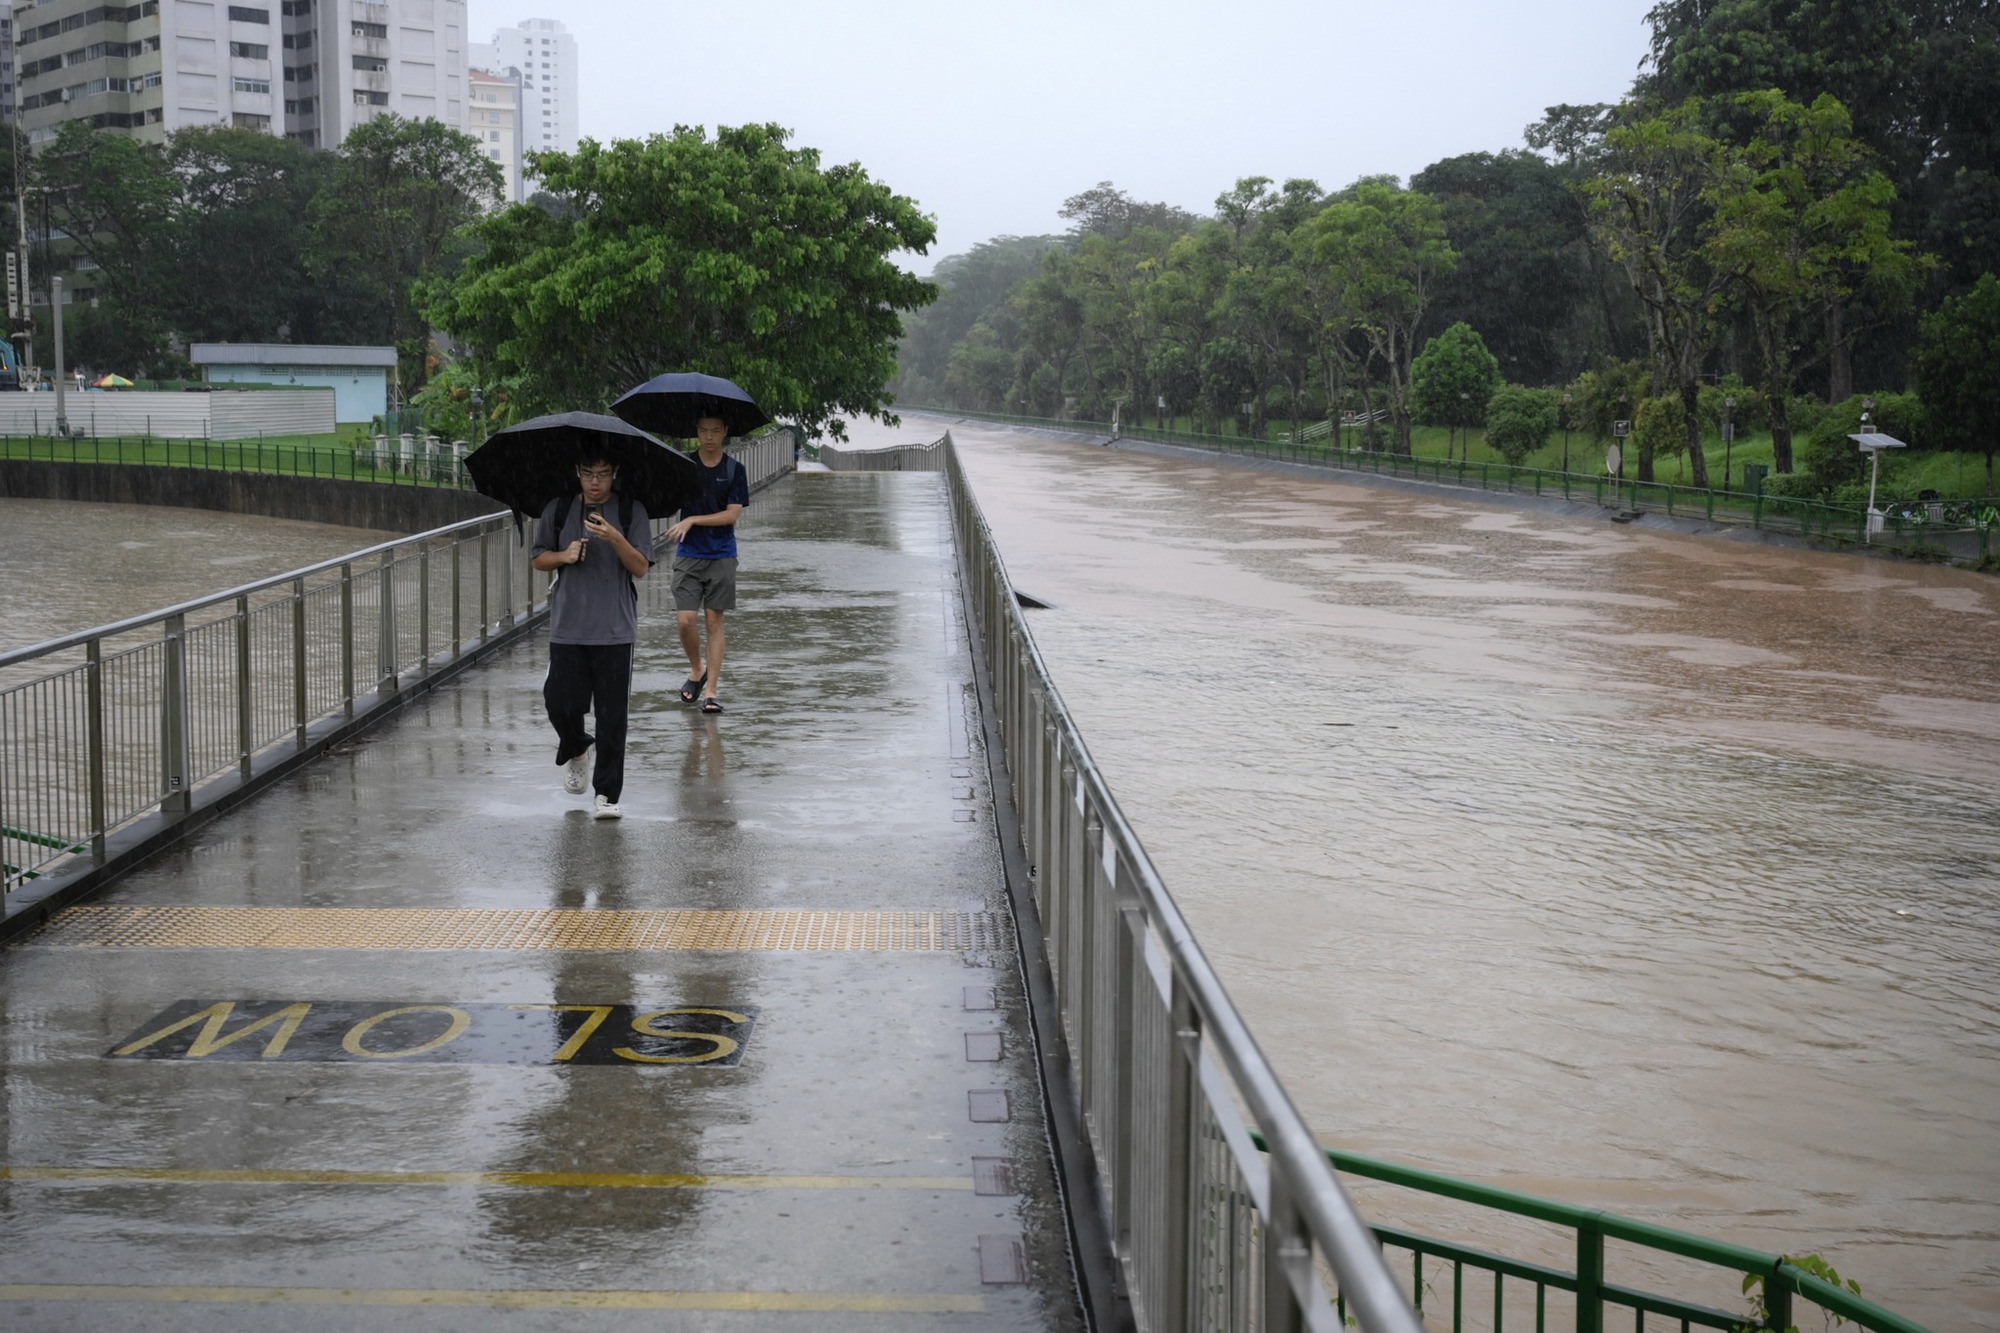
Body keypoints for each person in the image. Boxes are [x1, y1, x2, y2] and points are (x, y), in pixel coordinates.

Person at [529, 447, 654, 818]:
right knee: (559, 701)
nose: (595, 482)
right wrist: (564, 556)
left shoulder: (633, 511)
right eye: (587, 473)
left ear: (615, 472)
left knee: (613, 716)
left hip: (615, 629)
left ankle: (607, 794)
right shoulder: (559, 509)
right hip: (568, 626)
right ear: (577, 472)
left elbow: (641, 567)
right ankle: (577, 748)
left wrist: (615, 537)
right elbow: (538, 559)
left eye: (602, 473)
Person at [666, 414, 749, 714]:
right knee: (686, 620)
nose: (709, 436)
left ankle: (711, 691)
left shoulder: (734, 470)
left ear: (726, 432)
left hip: (721, 554)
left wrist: (693, 519)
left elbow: (732, 515)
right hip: (689, 554)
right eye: (703, 430)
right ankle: (696, 669)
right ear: (696, 432)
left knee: (715, 620)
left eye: (715, 431)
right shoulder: (685, 466)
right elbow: (669, 496)